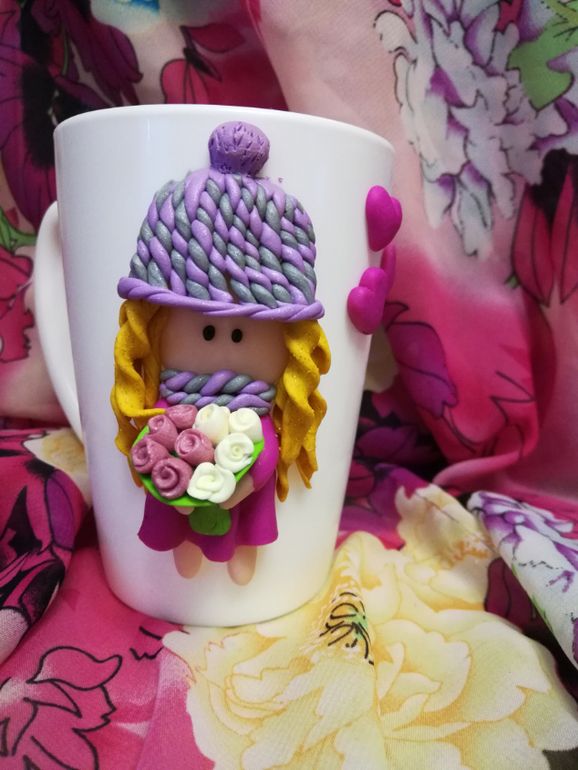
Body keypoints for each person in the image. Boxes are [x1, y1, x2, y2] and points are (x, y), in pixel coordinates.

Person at [110, 121, 330, 584]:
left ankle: (239, 557)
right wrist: (166, 473)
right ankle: (181, 549)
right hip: (179, 489)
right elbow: (155, 438)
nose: (226, 339)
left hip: (239, 490)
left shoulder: (256, 408)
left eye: (244, 330)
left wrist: (244, 483)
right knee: (179, 529)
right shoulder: (170, 404)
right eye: (206, 328)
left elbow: (265, 448)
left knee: (243, 528)